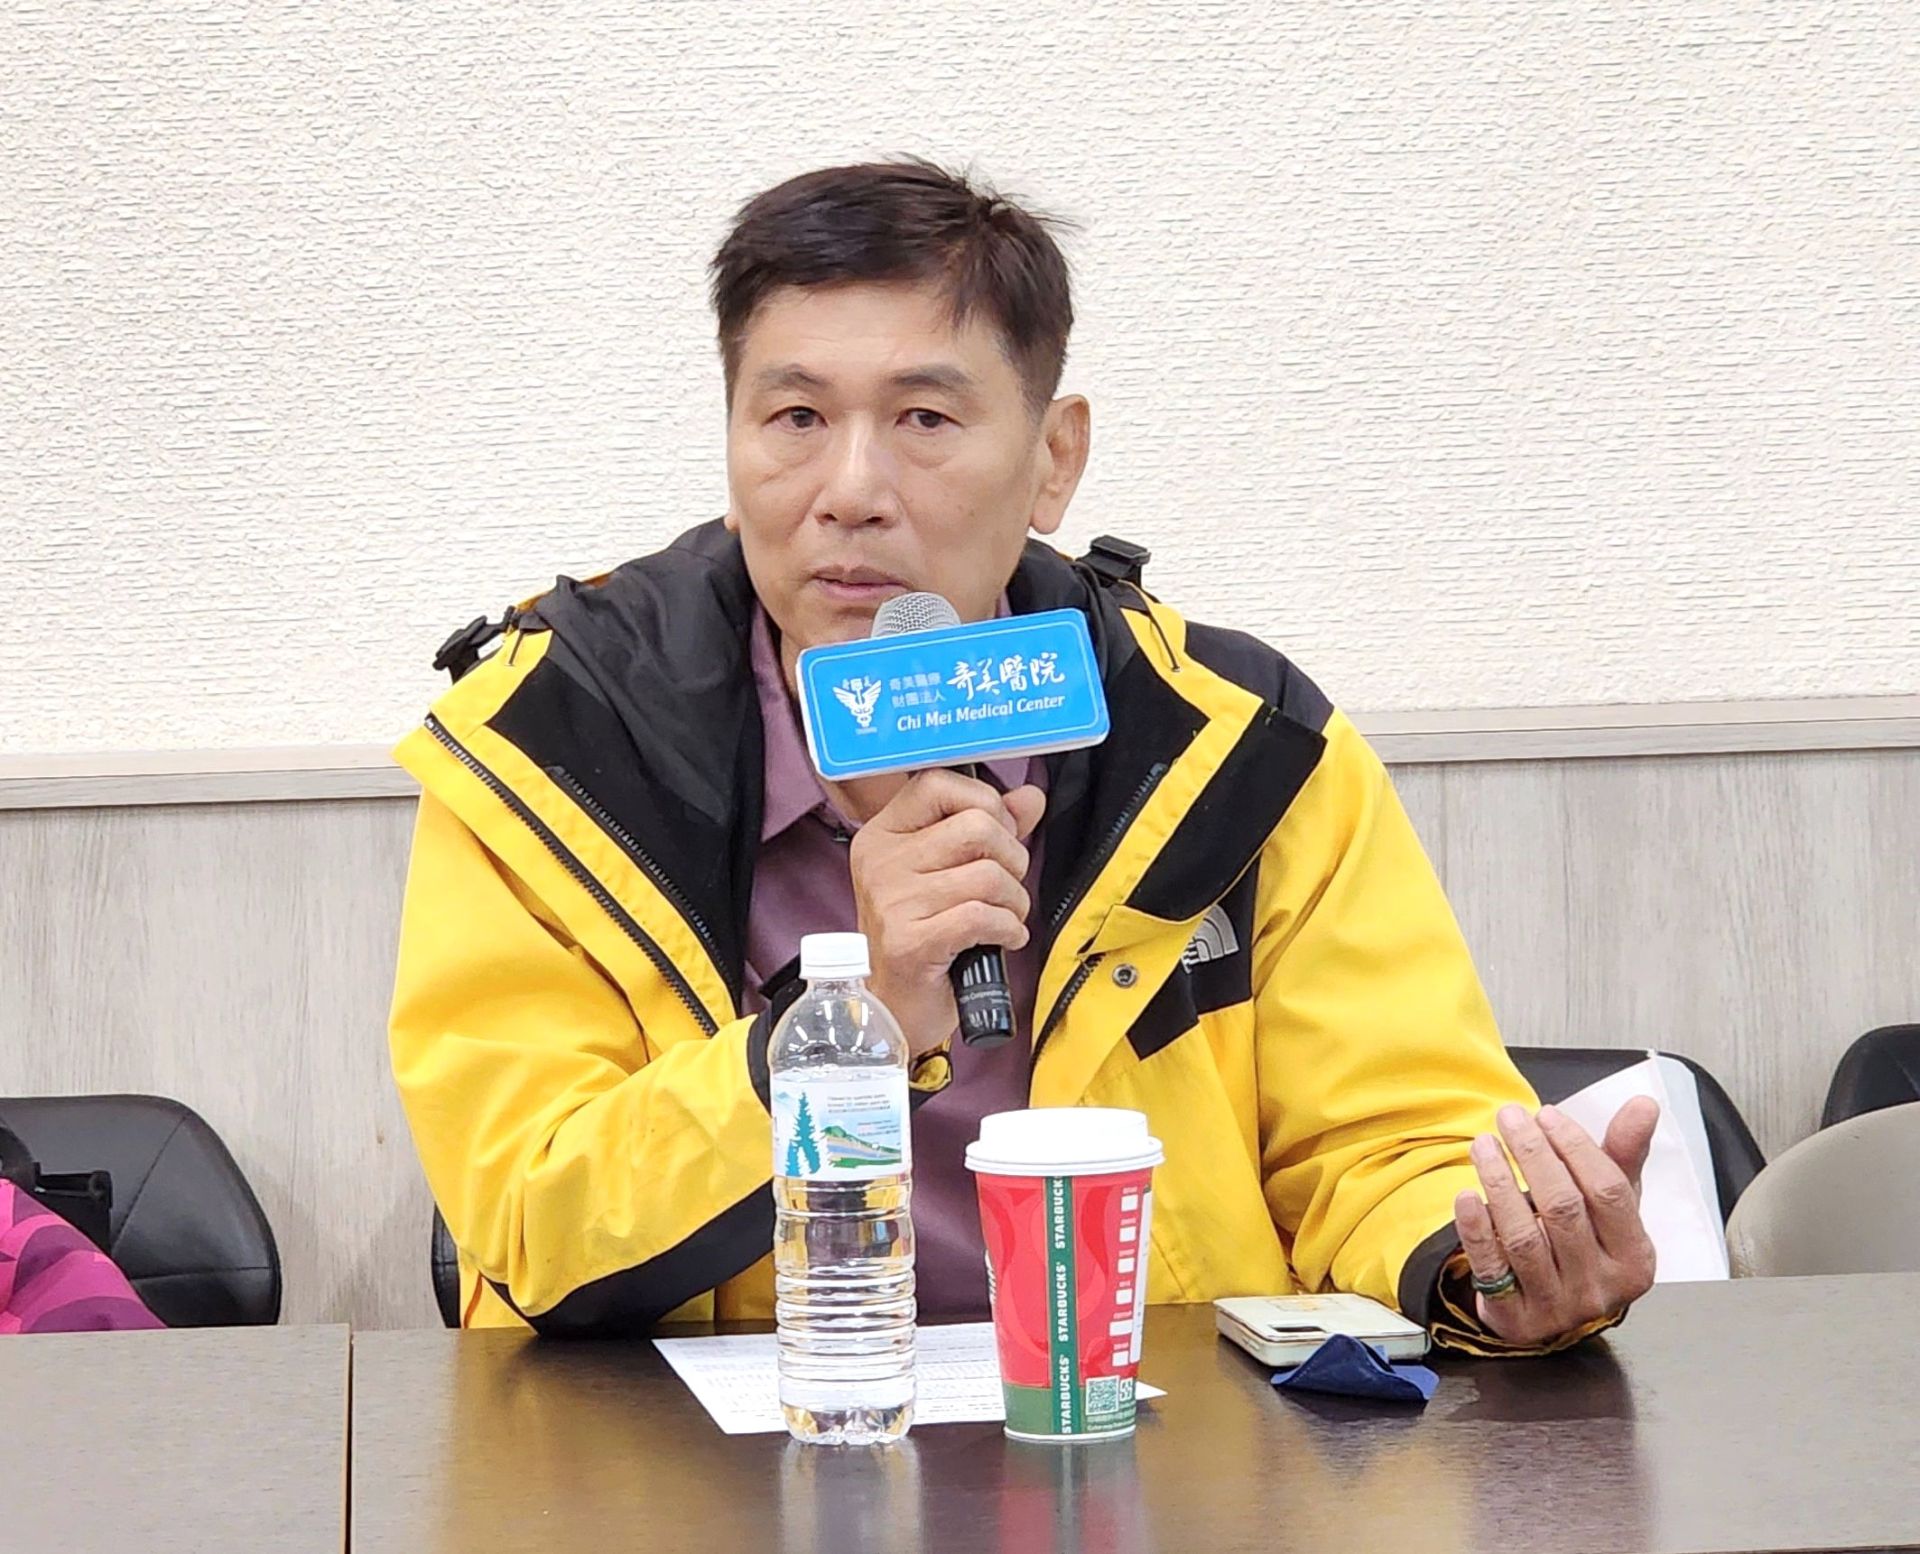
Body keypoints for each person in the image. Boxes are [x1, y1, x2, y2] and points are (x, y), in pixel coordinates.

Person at [389, 160, 1658, 1350]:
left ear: (1054, 460)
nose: (850, 489)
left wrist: (1485, 1262)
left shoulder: (1236, 745)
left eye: (925, 417)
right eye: (795, 416)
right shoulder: (551, 752)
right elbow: (532, 1223)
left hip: (1149, 1431)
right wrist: (846, 1032)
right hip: (710, 1449)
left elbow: (1386, 1140)